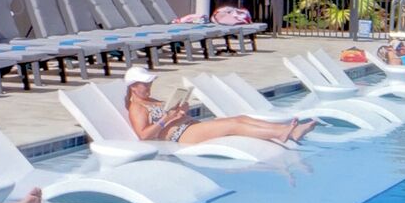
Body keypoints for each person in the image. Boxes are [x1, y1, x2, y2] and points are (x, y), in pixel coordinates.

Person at [121, 74, 311, 149]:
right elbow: (144, 136)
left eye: (149, 83)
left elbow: (170, 117)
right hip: (183, 136)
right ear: (133, 87)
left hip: (190, 127)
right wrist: (166, 119)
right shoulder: (137, 108)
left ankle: (286, 128)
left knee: (241, 118)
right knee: (233, 125)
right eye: (145, 84)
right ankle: (283, 133)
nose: (149, 86)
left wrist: (180, 112)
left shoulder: (152, 100)